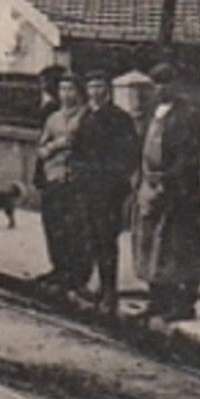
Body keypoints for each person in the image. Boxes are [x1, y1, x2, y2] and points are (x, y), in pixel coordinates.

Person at [130, 63, 200, 322]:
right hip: (150, 185)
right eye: (157, 83)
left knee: (180, 247)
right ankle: (158, 299)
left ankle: (184, 304)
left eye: (166, 82)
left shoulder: (187, 114)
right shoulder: (152, 113)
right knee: (150, 244)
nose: (161, 88)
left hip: (179, 191)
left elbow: (188, 156)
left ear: (176, 83)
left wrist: (168, 181)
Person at [71, 70, 139, 314]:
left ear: (108, 90)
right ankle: (98, 285)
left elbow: (129, 153)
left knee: (107, 238)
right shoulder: (86, 116)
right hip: (88, 187)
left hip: (109, 188)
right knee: (93, 238)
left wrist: (116, 179)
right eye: (92, 86)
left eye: (100, 86)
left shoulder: (119, 118)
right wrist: (78, 172)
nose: (96, 91)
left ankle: (110, 290)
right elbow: (76, 148)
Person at [34, 71, 90, 294]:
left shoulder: (85, 116)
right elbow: (41, 147)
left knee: (75, 228)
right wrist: (54, 147)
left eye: (71, 90)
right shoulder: (53, 118)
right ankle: (59, 267)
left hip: (75, 179)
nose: (66, 95)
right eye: (63, 89)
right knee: (54, 226)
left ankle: (77, 273)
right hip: (53, 176)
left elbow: (82, 145)